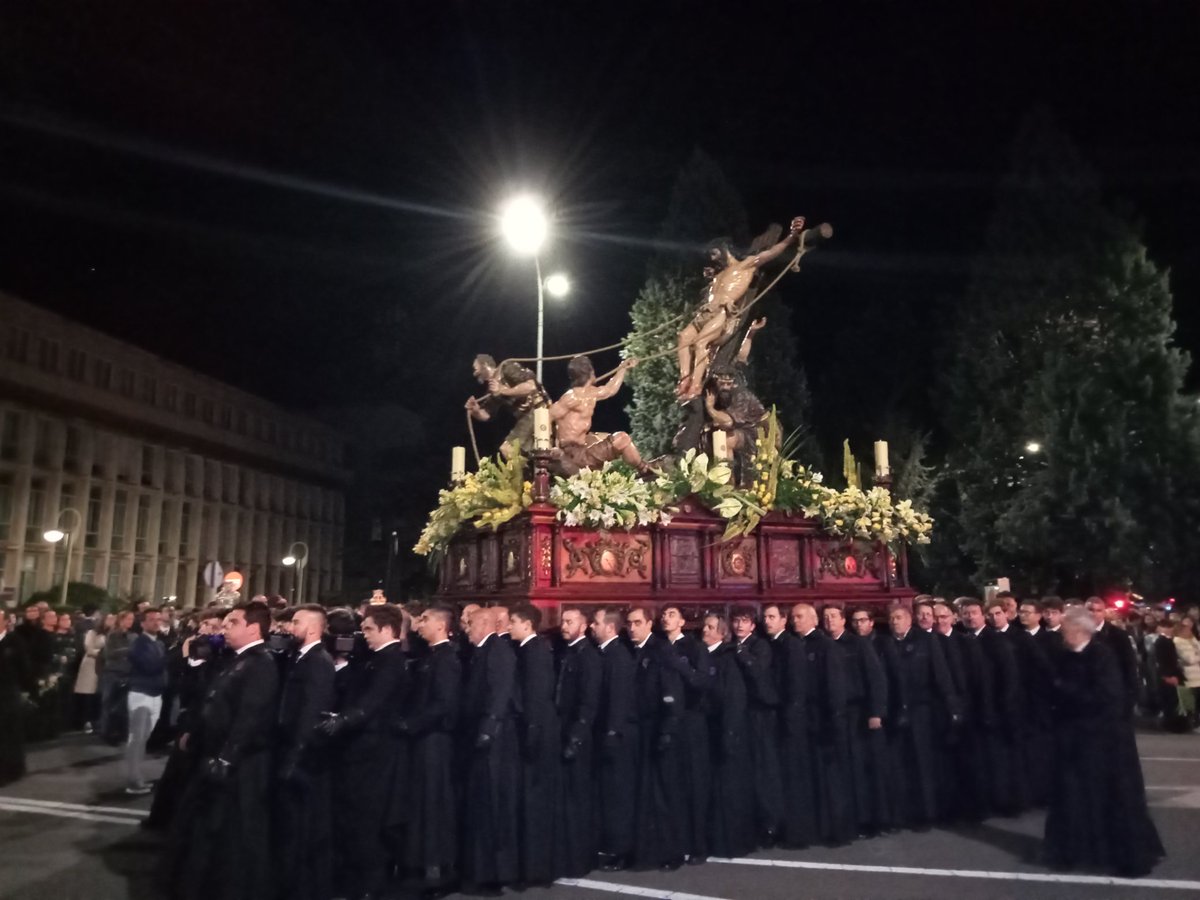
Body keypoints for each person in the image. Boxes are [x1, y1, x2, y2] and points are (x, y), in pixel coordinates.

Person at [170, 601, 280, 900]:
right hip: (214, 753)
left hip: (238, 766)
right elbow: (211, 699)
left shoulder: (261, 663)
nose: (224, 628)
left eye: (232, 623)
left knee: (232, 832)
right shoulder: (235, 658)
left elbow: (251, 714)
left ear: (253, 628)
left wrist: (226, 757)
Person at [1043, 607, 1164, 877]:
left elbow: (1107, 696)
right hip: (1073, 739)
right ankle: (1075, 851)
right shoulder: (1064, 655)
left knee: (1114, 796)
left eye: (1066, 629)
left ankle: (1124, 855)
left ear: (1079, 630)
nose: (1063, 633)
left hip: (1105, 740)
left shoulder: (1101, 655)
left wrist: (1066, 691)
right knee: (1074, 796)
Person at [318, 602, 410, 900]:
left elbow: (374, 700)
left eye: (369, 629)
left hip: (376, 751)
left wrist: (345, 720)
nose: (364, 634)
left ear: (386, 630)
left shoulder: (392, 660)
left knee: (368, 818)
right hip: (361, 747)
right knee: (354, 816)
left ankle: (371, 884)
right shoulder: (373, 657)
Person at [675, 217, 805, 399]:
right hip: (706, 312)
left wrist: (792, 236)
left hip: (722, 313)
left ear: (723, 249)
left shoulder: (746, 265)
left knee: (700, 343)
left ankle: (696, 385)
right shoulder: (718, 274)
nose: (712, 258)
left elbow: (773, 252)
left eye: (714, 253)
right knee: (683, 337)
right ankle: (685, 379)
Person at [399, 606, 461, 897]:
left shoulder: (446, 658)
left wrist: (410, 725)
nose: (419, 624)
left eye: (424, 619)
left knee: (433, 804)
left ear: (440, 625)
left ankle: (437, 870)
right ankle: (421, 863)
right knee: (421, 803)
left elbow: (443, 703)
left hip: (434, 740)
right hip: (423, 738)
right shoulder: (430, 655)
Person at [145, 608, 226, 833]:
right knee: (176, 772)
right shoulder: (195, 648)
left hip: (204, 722)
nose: (205, 631)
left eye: (212, 627)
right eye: (204, 625)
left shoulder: (224, 657)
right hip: (190, 716)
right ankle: (164, 818)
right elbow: (183, 684)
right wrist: (190, 660)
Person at [275, 605, 336, 900]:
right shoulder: (299, 658)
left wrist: (296, 754)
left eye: (296, 622)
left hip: (305, 755)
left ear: (312, 629)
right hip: (292, 747)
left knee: (303, 824)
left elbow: (311, 710)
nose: (290, 627)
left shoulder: (318, 662)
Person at [882, 604, 959, 830]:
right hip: (898, 711)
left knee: (924, 764)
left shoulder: (926, 641)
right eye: (891, 618)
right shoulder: (886, 644)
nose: (894, 622)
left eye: (898, 617)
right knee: (901, 765)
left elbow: (941, 674)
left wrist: (951, 706)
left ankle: (928, 813)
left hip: (922, 711)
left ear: (909, 620)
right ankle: (904, 813)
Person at [459, 605, 520, 891]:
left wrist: (488, 728)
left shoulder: (496, 650)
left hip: (493, 741)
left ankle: (495, 873)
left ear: (484, 625)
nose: (467, 629)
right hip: (484, 735)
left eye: (471, 624)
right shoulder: (484, 651)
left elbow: (500, 690)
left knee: (493, 803)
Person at [824, 605, 891, 836]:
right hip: (839, 715)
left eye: (834, 616)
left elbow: (876, 679)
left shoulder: (858, 644)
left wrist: (876, 712)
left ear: (843, 620)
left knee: (864, 769)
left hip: (860, 714)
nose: (829, 621)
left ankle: (872, 820)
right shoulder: (826, 645)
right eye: (825, 617)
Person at [627, 605, 684, 870]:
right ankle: (647, 850)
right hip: (642, 730)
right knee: (644, 794)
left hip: (659, 728)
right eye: (629, 623)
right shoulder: (635, 651)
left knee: (663, 795)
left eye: (638, 622)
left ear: (649, 624)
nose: (632, 627)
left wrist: (667, 730)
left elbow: (671, 693)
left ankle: (671, 852)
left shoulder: (660, 650)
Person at [791, 604, 853, 845]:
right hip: (806, 721)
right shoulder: (797, 645)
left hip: (824, 721)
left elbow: (835, 687)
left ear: (812, 620)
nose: (794, 621)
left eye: (799, 617)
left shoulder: (826, 646)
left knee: (831, 780)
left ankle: (836, 830)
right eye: (793, 617)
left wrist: (834, 721)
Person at [508, 604, 560, 886]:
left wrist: (531, 733)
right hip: (534, 730)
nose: (509, 627)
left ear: (527, 625)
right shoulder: (528, 650)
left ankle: (537, 870)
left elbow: (537, 697)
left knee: (536, 803)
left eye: (513, 622)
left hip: (538, 733)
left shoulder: (536, 652)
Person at [659, 604, 712, 864]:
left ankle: (698, 845)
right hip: (667, 724)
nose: (665, 619)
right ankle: (675, 845)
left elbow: (701, 682)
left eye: (671, 615)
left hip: (692, 724)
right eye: (663, 615)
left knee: (695, 786)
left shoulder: (693, 647)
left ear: (682, 622)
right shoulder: (659, 648)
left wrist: (680, 665)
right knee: (672, 787)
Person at [961, 597, 1023, 816]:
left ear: (982, 615)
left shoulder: (996, 641)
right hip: (975, 711)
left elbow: (1009, 676)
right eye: (965, 613)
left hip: (996, 709)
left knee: (1000, 760)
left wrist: (1004, 706)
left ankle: (1007, 802)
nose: (970, 617)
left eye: (974, 612)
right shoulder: (963, 641)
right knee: (980, 760)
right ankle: (985, 803)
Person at [700, 612, 754, 858]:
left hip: (726, 730)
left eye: (711, 627)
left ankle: (731, 841)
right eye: (704, 627)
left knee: (729, 790)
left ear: (722, 633)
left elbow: (733, 699)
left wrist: (729, 732)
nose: (705, 631)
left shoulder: (728, 659)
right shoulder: (704, 656)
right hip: (709, 731)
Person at [730, 605, 783, 846]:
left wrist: (741, 653)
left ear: (753, 625)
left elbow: (758, 672)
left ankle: (770, 824)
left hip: (761, 714)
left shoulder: (759, 646)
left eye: (744, 621)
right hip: (743, 715)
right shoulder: (733, 647)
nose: (739, 626)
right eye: (736, 621)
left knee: (765, 770)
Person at [554, 606, 600, 878]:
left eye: (570, 621)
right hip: (564, 730)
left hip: (578, 736)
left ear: (583, 626)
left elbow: (588, 702)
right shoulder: (568, 652)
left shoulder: (588, 657)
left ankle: (580, 858)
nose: (564, 625)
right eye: (563, 621)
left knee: (579, 798)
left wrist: (577, 736)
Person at [591, 606, 636, 871]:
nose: (592, 627)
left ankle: (620, 849)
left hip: (617, 736)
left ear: (609, 627)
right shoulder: (605, 653)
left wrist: (611, 732)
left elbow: (618, 699)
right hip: (608, 732)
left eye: (596, 622)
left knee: (618, 796)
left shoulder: (618, 656)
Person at [549, 355, 645, 475]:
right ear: (590, 372)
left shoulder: (590, 393)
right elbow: (547, 417)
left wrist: (622, 368)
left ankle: (640, 466)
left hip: (582, 446)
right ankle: (644, 468)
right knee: (622, 438)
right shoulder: (571, 398)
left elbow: (610, 390)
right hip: (574, 453)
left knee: (601, 436)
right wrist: (549, 446)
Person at [465, 355, 550, 460]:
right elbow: (487, 415)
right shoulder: (492, 389)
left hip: (537, 410)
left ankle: (520, 474)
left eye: (475, 369)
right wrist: (476, 411)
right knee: (526, 454)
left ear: (485, 365)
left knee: (508, 448)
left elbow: (530, 387)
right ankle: (525, 473)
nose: (474, 373)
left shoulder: (507, 367)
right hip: (525, 418)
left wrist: (502, 390)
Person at [124, 608, 167, 795]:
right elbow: (151, 666)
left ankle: (136, 778)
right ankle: (133, 780)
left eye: (158, 619)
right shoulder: (139, 643)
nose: (156, 622)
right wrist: (173, 655)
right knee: (137, 740)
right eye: (151, 620)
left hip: (155, 694)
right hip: (141, 694)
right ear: (142, 623)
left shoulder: (158, 643)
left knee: (143, 738)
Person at [0, 609, 35, 786]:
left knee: (9, 732)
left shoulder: (15, 642)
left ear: (6, 622)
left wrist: (25, 689)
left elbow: (24, 668)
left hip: (8, 692)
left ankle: (11, 768)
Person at [97, 610, 135, 744]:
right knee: (108, 702)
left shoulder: (132, 636)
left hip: (127, 672)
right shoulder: (113, 635)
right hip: (112, 672)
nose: (131, 622)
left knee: (122, 705)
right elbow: (109, 653)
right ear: (121, 620)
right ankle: (106, 731)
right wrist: (128, 650)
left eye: (132, 619)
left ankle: (119, 732)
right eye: (128, 619)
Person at [73, 612, 108, 733]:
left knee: (98, 695)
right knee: (88, 694)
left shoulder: (112, 634)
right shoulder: (92, 633)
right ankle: (85, 721)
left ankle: (96, 721)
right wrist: (103, 654)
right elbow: (89, 649)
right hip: (91, 665)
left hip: (104, 667)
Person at [1153, 619, 1188, 732]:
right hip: (1168, 674)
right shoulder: (1162, 642)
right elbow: (1162, 660)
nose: (1169, 630)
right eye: (1166, 627)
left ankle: (1171, 724)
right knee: (1170, 701)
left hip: (1170, 673)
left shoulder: (1166, 641)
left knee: (1171, 701)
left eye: (1170, 627)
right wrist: (1168, 675)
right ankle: (1170, 725)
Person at [1174, 616, 1200, 729]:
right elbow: (1189, 659)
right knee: (1193, 700)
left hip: (1198, 672)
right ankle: (1194, 721)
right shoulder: (1178, 641)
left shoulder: (1193, 639)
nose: (1189, 630)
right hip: (1190, 675)